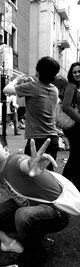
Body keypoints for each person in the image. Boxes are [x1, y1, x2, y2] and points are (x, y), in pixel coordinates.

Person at [0, 133, 69, 260]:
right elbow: (2, 183)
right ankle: (31, 233)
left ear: (6, 150)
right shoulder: (2, 171)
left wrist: (31, 164)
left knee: (22, 215)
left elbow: (25, 165)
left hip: (58, 213)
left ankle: (36, 255)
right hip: (33, 208)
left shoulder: (14, 161)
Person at [3, 57, 60, 170]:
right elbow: (40, 91)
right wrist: (33, 82)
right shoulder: (54, 89)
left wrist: (17, 79)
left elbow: (6, 89)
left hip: (37, 141)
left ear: (37, 72)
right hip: (53, 139)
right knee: (47, 175)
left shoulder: (32, 87)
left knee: (31, 175)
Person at [62, 62, 80, 190]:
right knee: (75, 155)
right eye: (75, 72)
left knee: (77, 155)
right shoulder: (71, 86)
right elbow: (66, 106)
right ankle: (66, 182)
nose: (77, 74)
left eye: (79, 71)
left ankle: (71, 182)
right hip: (75, 126)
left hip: (77, 125)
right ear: (71, 74)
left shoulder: (78, 87)